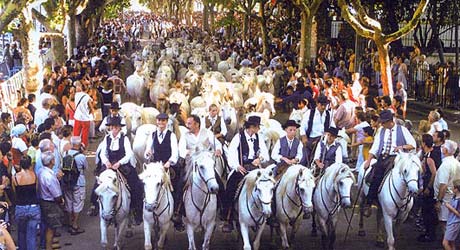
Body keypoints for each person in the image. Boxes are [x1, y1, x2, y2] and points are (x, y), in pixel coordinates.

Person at [363, 110, 416, 216]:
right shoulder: (381, 131)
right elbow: (375, 147)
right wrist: (368, 160)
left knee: (411, 174)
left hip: (398, 157)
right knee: (375, 174)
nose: (381, 124)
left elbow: (413, 145)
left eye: (383, 122)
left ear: (389, 121)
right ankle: (370, 201)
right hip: (383, 157)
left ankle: (411, 200)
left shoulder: (403, 130)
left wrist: (401, 147)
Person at [222, 116, 269, 232]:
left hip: (256, 168)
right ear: (251, 127)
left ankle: (270, 214)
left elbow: (265, 154)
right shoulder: (238, 137)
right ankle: (228, 218)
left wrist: (260, 159)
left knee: (268, 185)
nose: (258, 129)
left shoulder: (259, 138)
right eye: (257, 127)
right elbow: (231, 154)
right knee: (231, 187)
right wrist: (237, 166)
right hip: (241, 168)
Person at [177, 115, 223, 231]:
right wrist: (190, 152)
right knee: (180, 185)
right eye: (187, 123)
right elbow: (181, 151)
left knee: (219, 183)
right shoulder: (185, 135)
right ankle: (178, 211)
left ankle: (223, 210)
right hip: (191, 166)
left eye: (189, 123)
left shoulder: (207, 133)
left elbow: (217, 144)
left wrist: (218, 149)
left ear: (197, 124)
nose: (187, 126)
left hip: (206, 164)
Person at [98, 116, 143, 224]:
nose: (113, 129)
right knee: (98, 183)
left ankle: (135, 209)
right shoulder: (106, 139)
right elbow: (103, 153)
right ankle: (97, 205)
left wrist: (119, 163)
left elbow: (129, 154)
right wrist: (106, 162)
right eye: (112, 127)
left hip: (122, 166)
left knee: (136, 185)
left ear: (119, 128)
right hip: (109, 166)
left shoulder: (124, 139)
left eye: (116, 127)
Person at [144, 113, 180, 228]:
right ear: (156, 121)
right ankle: (143, 209)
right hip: (155, 166)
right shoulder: (153, 135)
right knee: (144, 184)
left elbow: (175, 154)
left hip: (167, 166)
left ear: (166, 122)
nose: (161, 123)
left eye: (163, 121)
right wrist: (148, 153)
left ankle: (175, 212)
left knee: (177, 186)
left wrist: (169, 163)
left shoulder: (171, 136)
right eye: (159, 120)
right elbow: (147, 150)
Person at [38, 151, 64, 250]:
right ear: (52, 161)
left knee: (47, 225)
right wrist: (61, 201)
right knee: (51, 227)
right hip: (50, 203)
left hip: (43, 201)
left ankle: (47, 244)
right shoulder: (49, 176)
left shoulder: (41, 171)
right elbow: (57, 194)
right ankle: (48, 247)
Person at [13, 155, 40, 250]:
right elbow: (37, 190)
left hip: (20, 207)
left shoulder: (15, 177)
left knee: (21, 233)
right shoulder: (34, 175)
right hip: (33, 207)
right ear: (30, 165)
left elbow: (15, 193)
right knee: (32, 235)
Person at [300, 95, 335, 165]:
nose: (323, 107)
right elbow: (302, 126)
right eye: (321, 104)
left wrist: (328, 133)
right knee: (303, 160)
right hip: (311, 140)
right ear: (317, 103)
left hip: (324, 140)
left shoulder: (329, 114)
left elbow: (332, 127)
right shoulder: (309, 113)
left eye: (325, 105)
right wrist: (304, 137)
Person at [63, 136, 87, 235]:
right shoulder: (81, 156)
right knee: (78, 203)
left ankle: (69, 222)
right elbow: (85, 167)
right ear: (80, 144)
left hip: (67, 181)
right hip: (79, 182)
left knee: (69, 202)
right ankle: (75, 224)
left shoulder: (66, 153)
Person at [434, 140, 460, 234]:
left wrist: (439, 201)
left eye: (443, 147)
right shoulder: (457, 163)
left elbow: (443, 185)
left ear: (445, 150)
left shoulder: (445, 165)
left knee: (445, 225)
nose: (441, 148)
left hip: (446, 199)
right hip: (454, 197)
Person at [417, 134, 438, 242]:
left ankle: (429, 234)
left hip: (429, 187)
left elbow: (434, 173)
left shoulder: (429, 157)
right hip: (429, 186)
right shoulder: (433, 153)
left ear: (424, 143)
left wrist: (428, 188)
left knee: (427, 211)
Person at [73, 82, 93, 147]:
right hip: (85, 118)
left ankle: (75, 145)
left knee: (76, 132)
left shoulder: (77, 95)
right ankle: (84, 146)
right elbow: (91, 107)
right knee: (85, 134)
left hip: (77, 116)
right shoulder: (87, 97)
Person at [442, 179, 460, 250]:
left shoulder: (459, 201)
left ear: (456, 189)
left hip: (454, 223)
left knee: (445, 243)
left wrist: (450, 207)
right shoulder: (454, 197)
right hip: (451, 221)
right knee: (452, 242)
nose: (452, 188)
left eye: (453, 187)